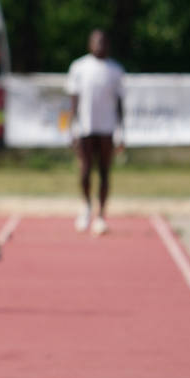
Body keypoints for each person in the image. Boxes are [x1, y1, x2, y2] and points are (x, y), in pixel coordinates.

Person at [66, 28, 125, 236]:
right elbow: (74, 101)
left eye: (103, 41)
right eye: (95, 41)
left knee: (104, 172)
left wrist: (121, 131)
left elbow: (120, 103)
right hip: (85, 128)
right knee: (85, 170)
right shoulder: (79, 67)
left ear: (107, 44)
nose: (99, 45)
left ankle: (101, 215)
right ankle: (86, 206)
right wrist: (72, 128)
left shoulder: (115, 70)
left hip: (107, 128)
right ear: (89, 44)